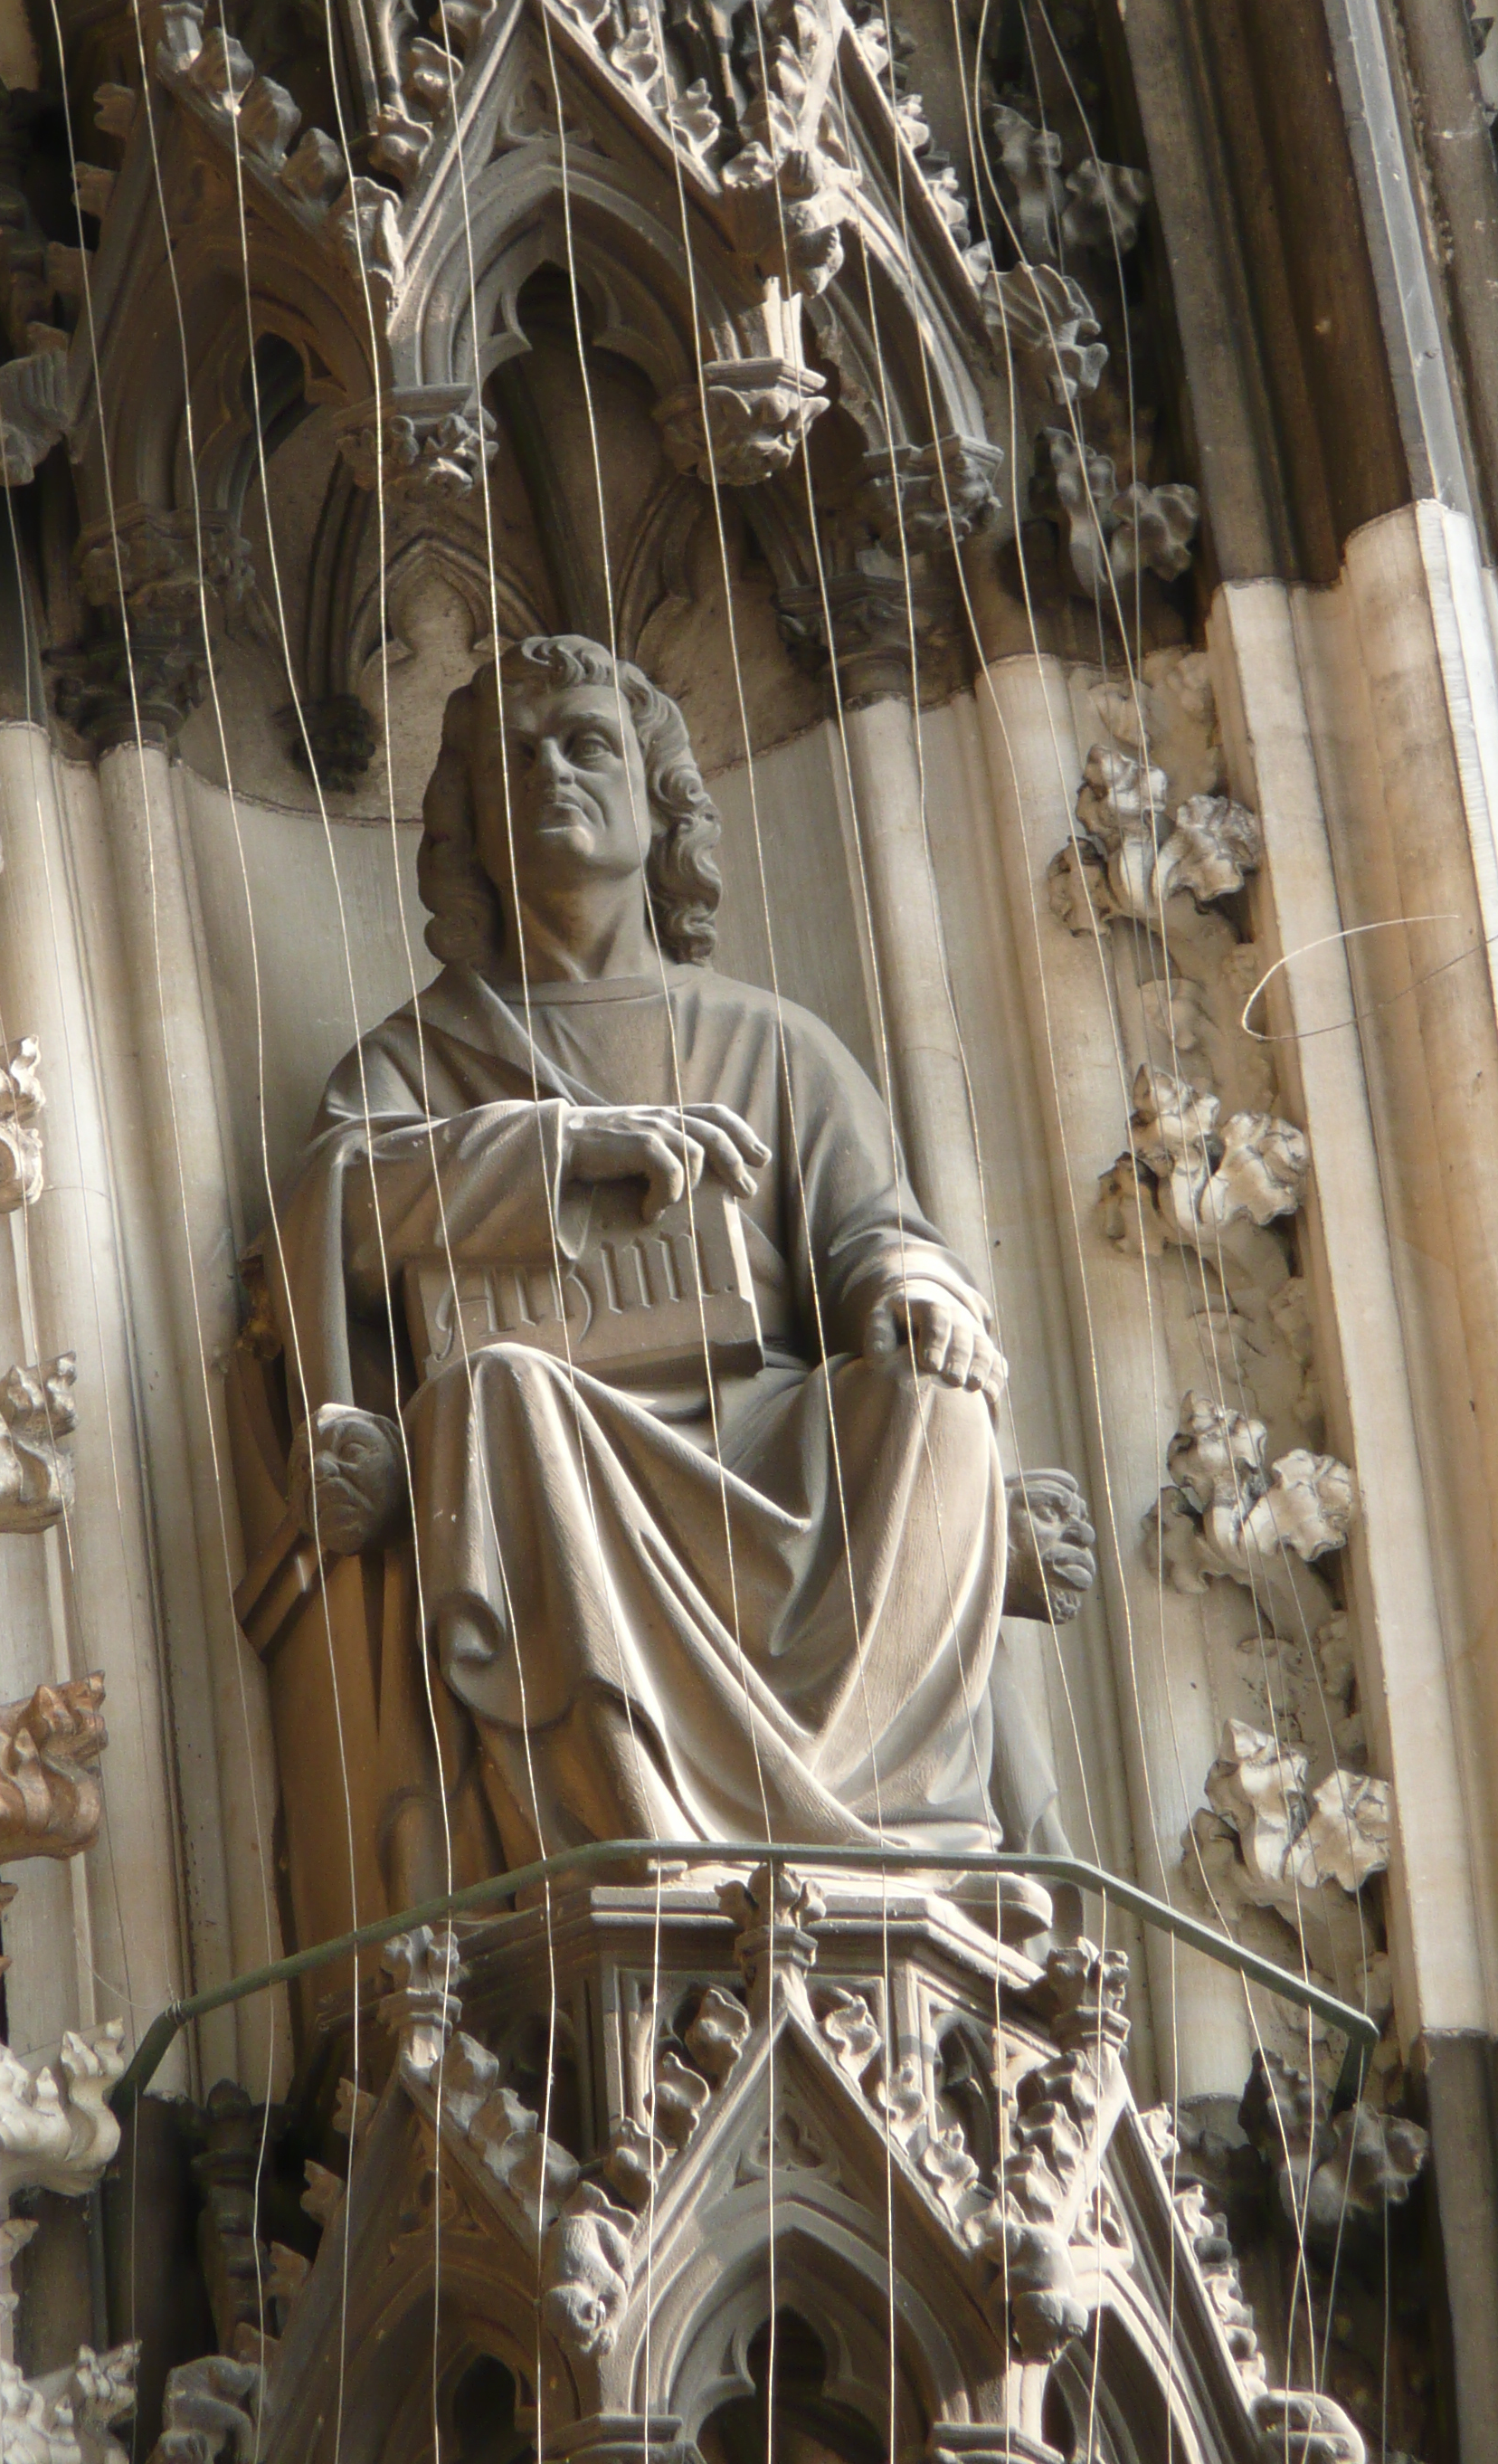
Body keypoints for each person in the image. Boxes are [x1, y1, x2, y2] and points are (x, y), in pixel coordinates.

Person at [263, 633, 1012, 1897]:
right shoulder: (412, 1060)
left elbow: (875, 1235)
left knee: (933, 1407)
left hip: (765, 1442)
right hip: (542, 1450)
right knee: (500, 1392)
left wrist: (916, 1290)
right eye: (513, 758)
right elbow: (324, 1223)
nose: (550, 771)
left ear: (662, 804)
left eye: (587, 743)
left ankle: (879, 1843)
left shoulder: (775, 1046)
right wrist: (561, 1151)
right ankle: (640, 1840)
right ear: (470, 825)